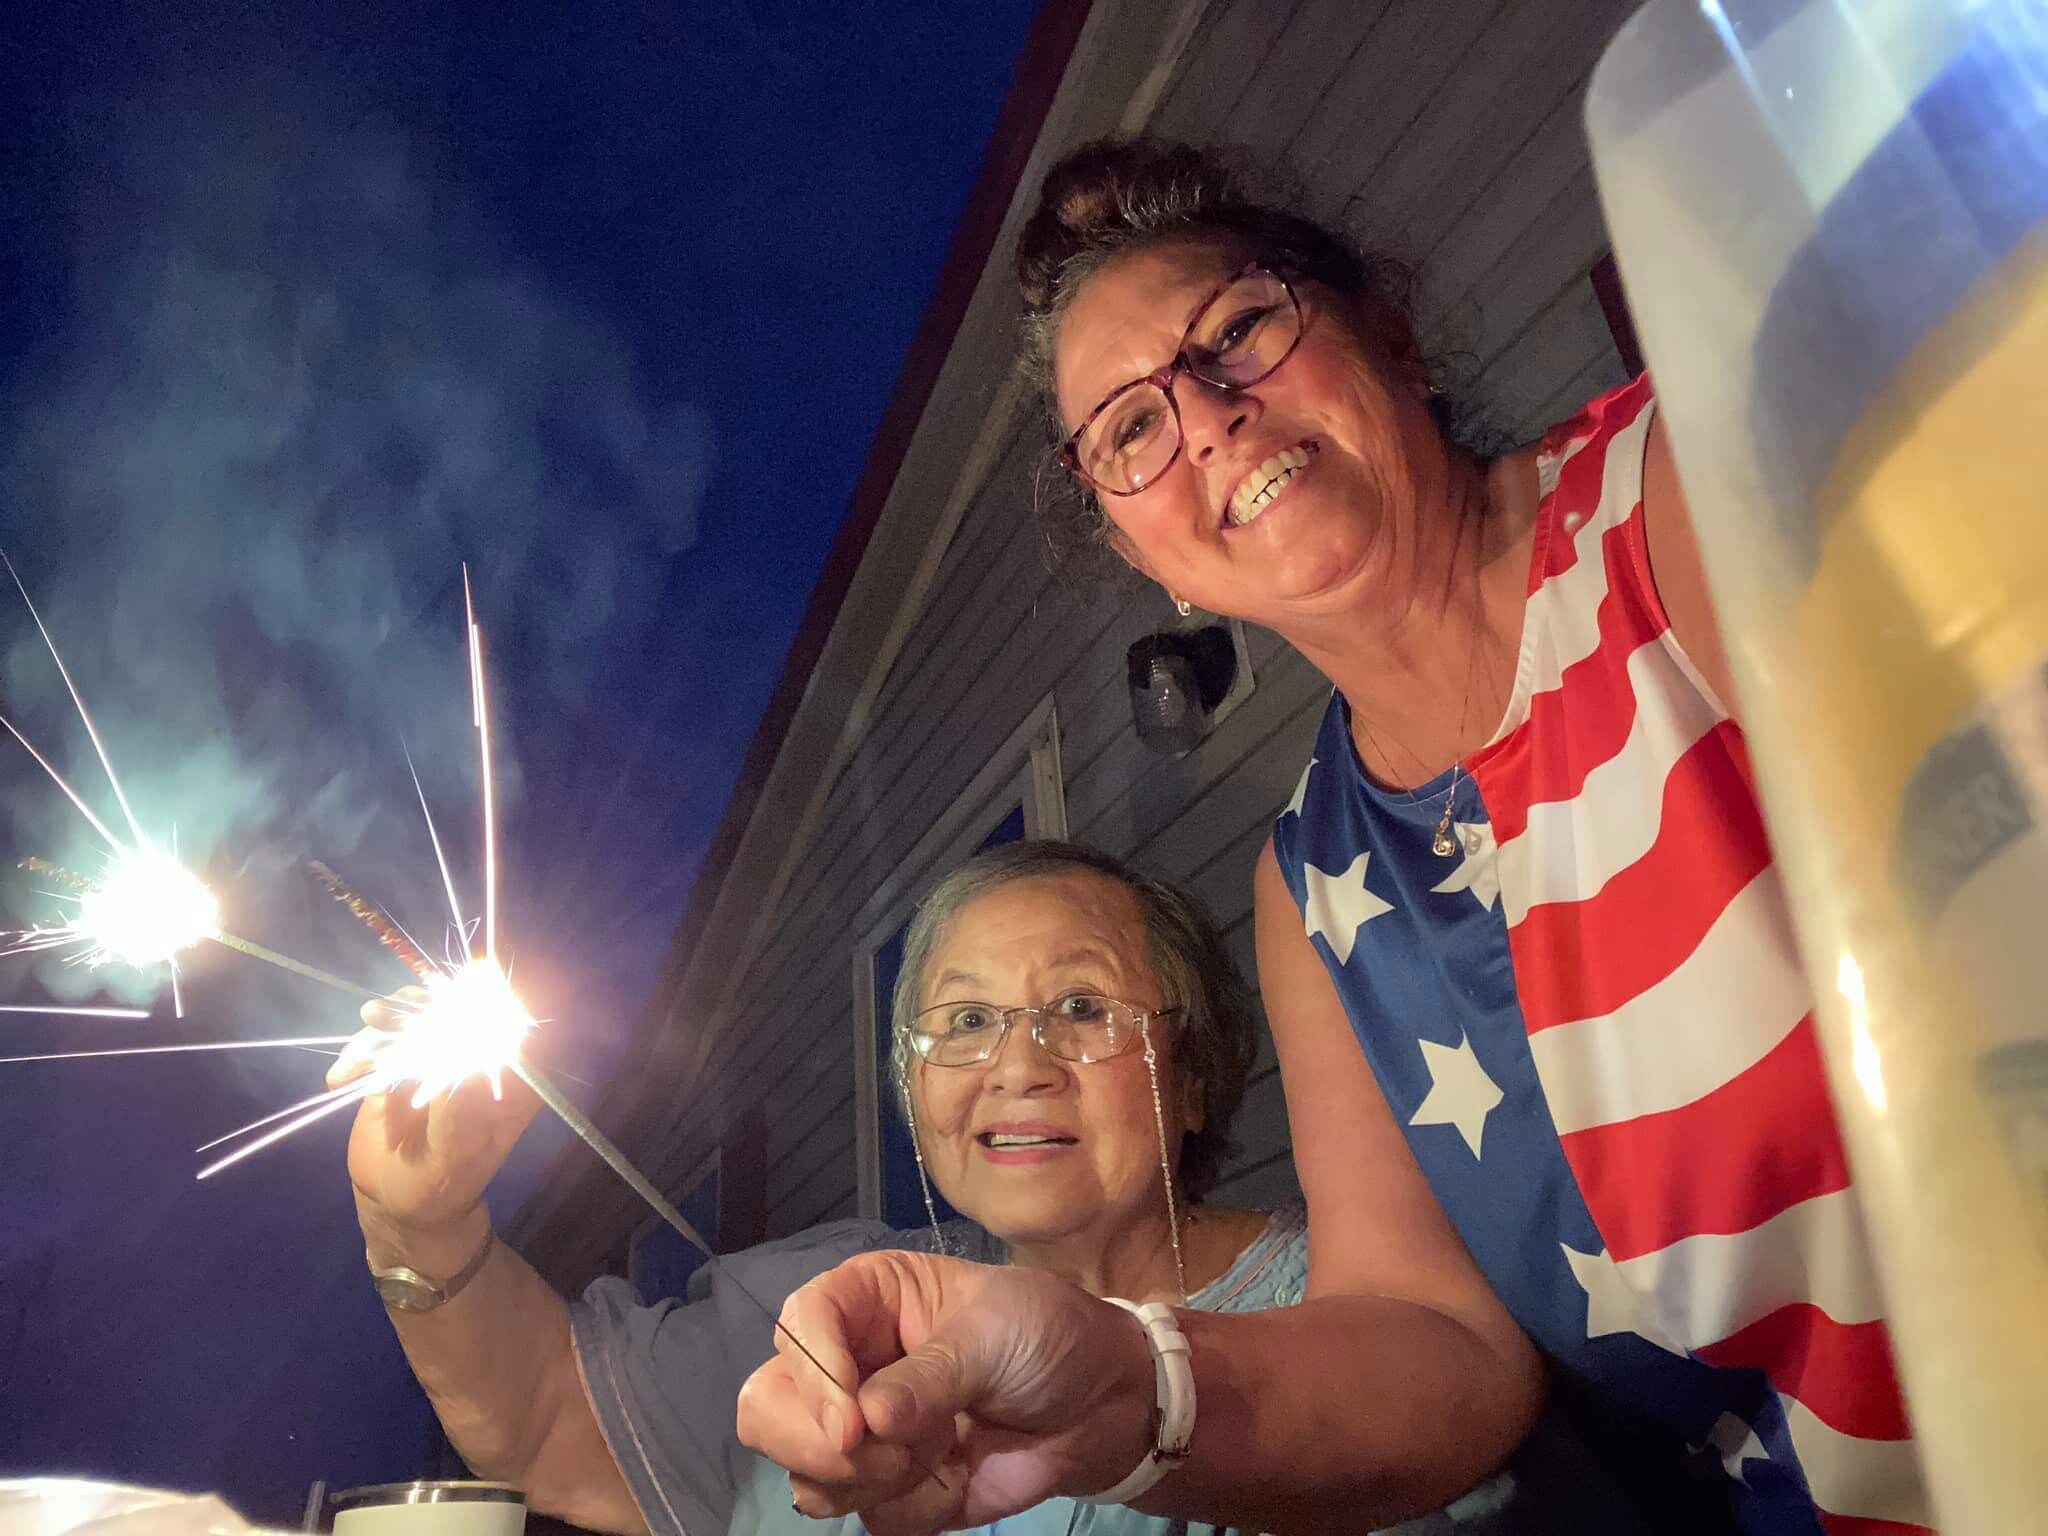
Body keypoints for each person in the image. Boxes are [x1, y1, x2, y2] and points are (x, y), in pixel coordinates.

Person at [733, 141, 1931, 1536]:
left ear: (1390, 332)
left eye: (1238, 331)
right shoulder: (1314, 885)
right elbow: (1441, 1351)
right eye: (1131, 430)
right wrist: (1126, 1384)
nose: (1209, 418)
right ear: (1146, 554)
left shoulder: (1694, 496)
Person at [339, 841, 1509, 1536]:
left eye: (1084, 1008)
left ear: (1192, 1075)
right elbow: (543, 1422)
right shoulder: (825, 1301)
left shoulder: (1361, 1324)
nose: (1015, 1063)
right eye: (960, 1021)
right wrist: (415, 1217)